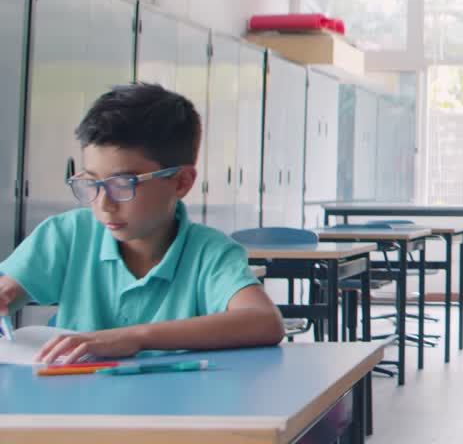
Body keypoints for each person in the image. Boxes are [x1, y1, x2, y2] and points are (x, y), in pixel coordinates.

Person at [0, 83, 285, 363]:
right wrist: (7, 294)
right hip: (70, 399)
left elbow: (264, 322)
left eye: (123, 184)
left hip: (176, 405)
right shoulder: (68, 234)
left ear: (181, 182)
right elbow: (9, 289)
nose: (103, 203)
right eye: (91, 183)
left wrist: (134, 337)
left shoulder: (209, 254)